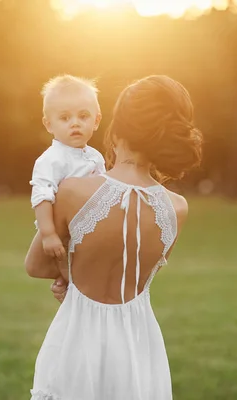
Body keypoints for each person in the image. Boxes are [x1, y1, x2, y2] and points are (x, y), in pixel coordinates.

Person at [25, 75, 202, 400]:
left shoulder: (73, 191)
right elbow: (131, 267)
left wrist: (68, 274)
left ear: (115, 129)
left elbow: (36, 265)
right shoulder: (176, 209)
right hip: (139, 347)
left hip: (76, 343)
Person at [30, 75, 106, 261]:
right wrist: (48, 234)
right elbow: (42, 197)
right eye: (65, 118)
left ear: (96, 121)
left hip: (91, 228)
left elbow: (104, 191)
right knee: (66, 265)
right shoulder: (51, 160)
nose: (75, 123)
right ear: (49, 124)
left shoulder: (95, 157)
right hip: (61, 232)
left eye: (83, 116)